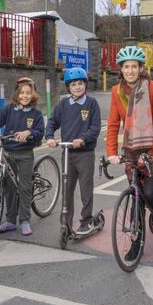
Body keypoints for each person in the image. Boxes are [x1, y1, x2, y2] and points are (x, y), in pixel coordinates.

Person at [106, 46, 153, 250]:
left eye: (134, 67)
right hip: (132, 148)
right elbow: (112, 124)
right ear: (121, 69)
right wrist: (111, 152)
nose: (130, 71)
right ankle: (136, 244)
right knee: (136, 195)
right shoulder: (116, 91)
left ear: (140, 68)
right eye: (126, 67)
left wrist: (152, 154)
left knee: (151, 192)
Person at [0, 77, 45, 236]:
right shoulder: (9, 109)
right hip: (7, 152)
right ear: (16, 94)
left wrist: (28, 133)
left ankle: (25, 220)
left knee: (25, 187)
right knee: (9, 187)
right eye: (22, 93)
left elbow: (39, 133)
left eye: (28, 93)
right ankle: (10, 220)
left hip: (25, 154)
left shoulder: (36, 114)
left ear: (33, 94)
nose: (25, 96)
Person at [46, 67, 102, 235]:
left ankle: (86, 220)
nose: (77, 87)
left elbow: (95, 128)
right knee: (67, 189)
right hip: (67, 154)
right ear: (68, 87)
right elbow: (52, 122)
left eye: (80, 83)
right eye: (73, 84)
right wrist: (49, 136)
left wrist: (83, 139)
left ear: (85, 84)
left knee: (86, 189)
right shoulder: (63, 104)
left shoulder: (91, 103)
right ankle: (66, 223)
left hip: (85, 154)